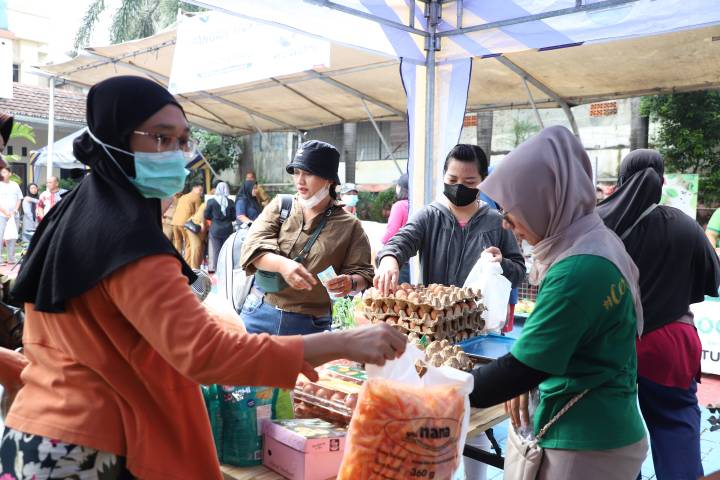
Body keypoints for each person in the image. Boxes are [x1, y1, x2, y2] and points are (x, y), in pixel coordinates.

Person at [3, 76, 406, 480]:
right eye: (161, 138)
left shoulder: (76, 211)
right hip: (92, 449)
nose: (177, 155)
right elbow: (205, 352)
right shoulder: (127, 239)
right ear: (116, 139)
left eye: (182, 141)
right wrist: (342, 342)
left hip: (40, 435)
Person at [470, 126, 647, 480]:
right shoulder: (596, 242)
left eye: (511, 210)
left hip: (583, 444)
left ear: (545, 200)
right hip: (608, 423)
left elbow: (522, 369)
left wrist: (440, 390)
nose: (506, 224)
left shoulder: (576, 270)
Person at [598, 149, 720, 480]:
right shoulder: (684, 225)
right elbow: (711, 279)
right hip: (671, 342)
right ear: (662, 182)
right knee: (675, 421)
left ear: (620, 181)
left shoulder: (600, 225)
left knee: (615, 431)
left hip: (612, 343)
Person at [239, 140, 374, 336]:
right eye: (296, 172)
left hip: (310, 325)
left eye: (309, 173)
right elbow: (253, 249)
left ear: (329, 179)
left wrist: (351, 282)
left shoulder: (350, 225)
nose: (300, 181)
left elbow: (364, 273)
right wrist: (283, 266)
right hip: (260, 311)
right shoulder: (281, 206)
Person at [374, 143, 526, 295]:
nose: (459, 187)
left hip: (481, 309)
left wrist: (502, 264)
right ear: (444, 175)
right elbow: (400, 242)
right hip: (433, 308)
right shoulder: (429, 217)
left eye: (469, 182)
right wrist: (389, 259)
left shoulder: (497, 222)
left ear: (484, 181)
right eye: (452, 180)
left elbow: (519, 273)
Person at [478, 161, 521, 334]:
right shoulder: (490, 211)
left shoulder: (498, 209)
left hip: (501, 292)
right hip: (491, 297)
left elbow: (515, 264)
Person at [381, 173, 410, 284]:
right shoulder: (415, 205)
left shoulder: (400, 205)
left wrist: (382, 242)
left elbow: (391, 232)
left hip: (399, 257)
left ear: (401, 188)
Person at [204, 181, 236, 273]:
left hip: (215, 229)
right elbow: (234, 217)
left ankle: (218, 271)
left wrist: (214, 218)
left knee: (216, 251)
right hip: (228, 230)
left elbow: (206, 215)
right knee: (226, 251)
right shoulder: (231, 202)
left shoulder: (211, 202)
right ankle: (227, 270)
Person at [171, 182, 203, 259]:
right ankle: (187, 263)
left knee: (177, 243)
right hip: (185, 223)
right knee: (189, 244)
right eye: (200, 190)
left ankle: (176, 260)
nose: (201, 192)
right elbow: (198, 214)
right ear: (195, 188)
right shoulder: (197, 197)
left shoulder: (183, 197)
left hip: (175, 222)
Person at [0, 166, 22, 265]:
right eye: (1, 172)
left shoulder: (15, 185)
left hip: (14, 216)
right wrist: (5, 212)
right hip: (1, 215)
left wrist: (15, 210)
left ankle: (11, 259)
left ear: (10, 173)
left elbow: (19, 198)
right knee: (0, 236)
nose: (2, 174)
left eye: (4, 172)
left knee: (12, 237)